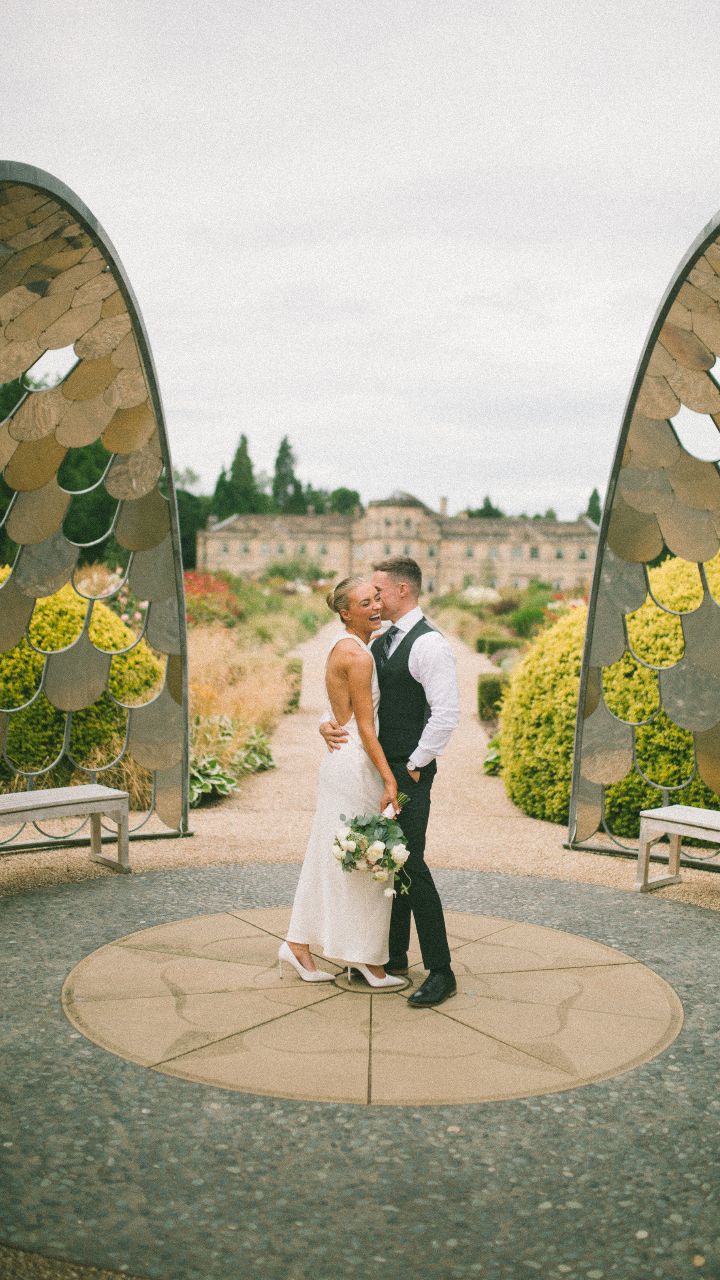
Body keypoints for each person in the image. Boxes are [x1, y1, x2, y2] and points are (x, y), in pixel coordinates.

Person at [320, 556, 459, 1007]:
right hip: (376, 766)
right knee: (390, 863)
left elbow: (446, 714)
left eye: (379, 591)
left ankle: (442, 970)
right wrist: (327, 723)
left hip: (408, 768)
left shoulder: (429, 645)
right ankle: (394, 956)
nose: (375, 600)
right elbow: (358, 704)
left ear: (402, 590)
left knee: (412, 865)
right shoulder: (378, 641)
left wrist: (415, 765)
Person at [280, 576, 405, 989]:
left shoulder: (345, 647)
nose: (375, 607)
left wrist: (324, 724)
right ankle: (366, 960)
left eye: (376, 599)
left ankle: (299, 944)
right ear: (345, 612)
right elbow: (366, 728)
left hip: (342, 758)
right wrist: (390, 781)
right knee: (365, 860)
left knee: (331, 854)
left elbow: (340, 712)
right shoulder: (360, 656)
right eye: (364, 602)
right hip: (355, 765)